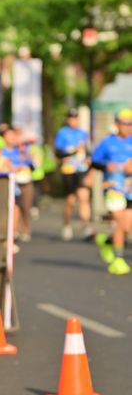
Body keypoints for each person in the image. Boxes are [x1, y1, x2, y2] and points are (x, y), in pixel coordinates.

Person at [92, 108, 132, 275]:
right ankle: (118, 259)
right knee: (119, 219)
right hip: (113, 188)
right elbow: (94, 161)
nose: (128, 127)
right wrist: (105, 165)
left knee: (127, 226)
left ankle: (107, 242)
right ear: (116, 124)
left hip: (130, 188)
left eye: (130, 124)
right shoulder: (107, 142)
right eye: (124, 123)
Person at [54, 108, 92, 241]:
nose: (73, 121)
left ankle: (86, 227)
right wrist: (73, 152)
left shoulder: (83, 133)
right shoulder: (62, 133)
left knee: (84, 197)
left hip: (81, 169)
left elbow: (88, 151)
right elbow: (58, 153)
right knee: (71, 200)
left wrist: (89, 161)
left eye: (75, 118)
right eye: (71, 118)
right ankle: (67, 225)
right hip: (68, 170)